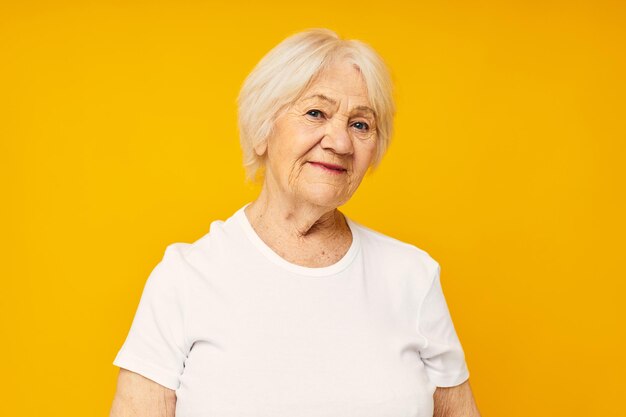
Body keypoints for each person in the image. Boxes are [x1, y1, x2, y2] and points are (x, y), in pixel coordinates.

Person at [109, 28, 481, 417]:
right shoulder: (185, 279)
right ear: (261, 131)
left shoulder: (412, 276)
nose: (340, 142)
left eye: (360, 125)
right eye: (315, 113)